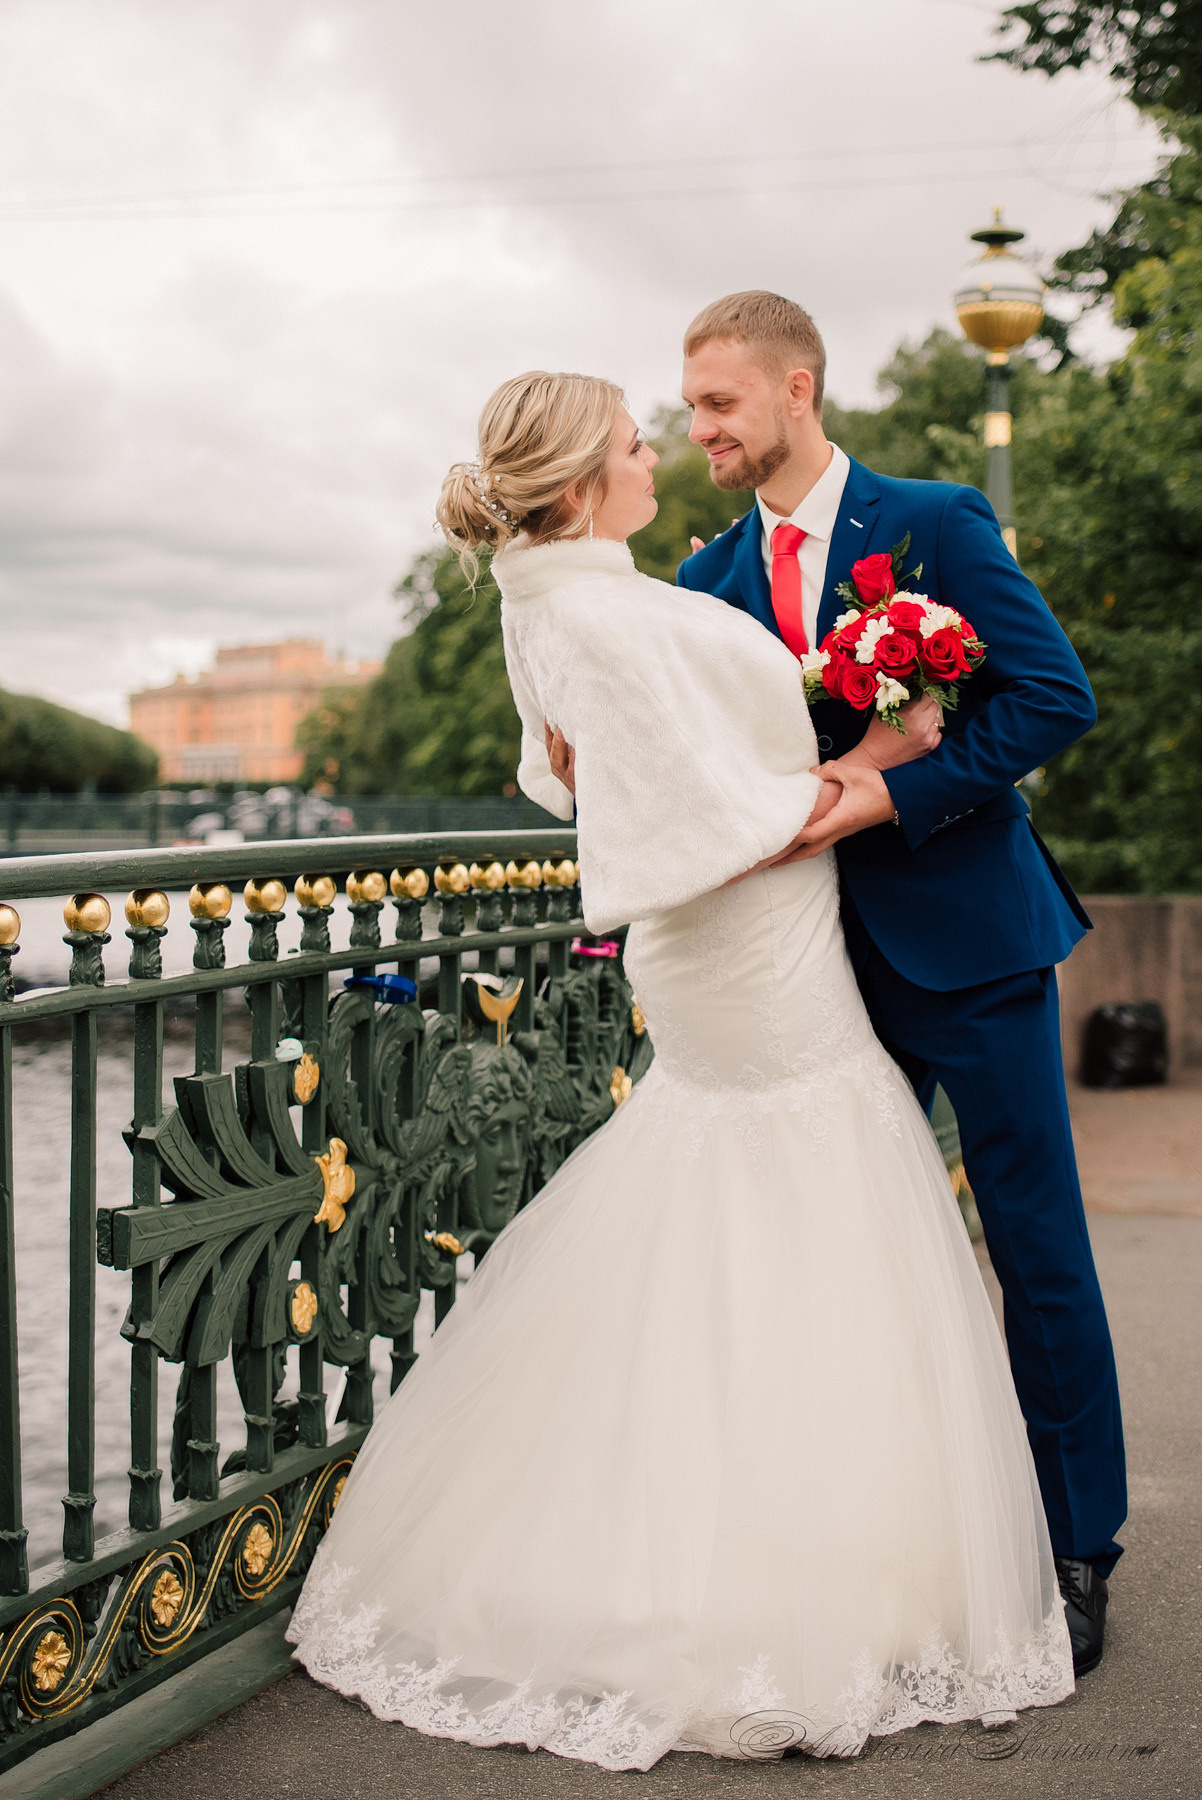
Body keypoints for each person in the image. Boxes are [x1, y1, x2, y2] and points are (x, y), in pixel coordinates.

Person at [288, 371, 1075, 1771]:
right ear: (587, 476)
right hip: (749, 939)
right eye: (640, 438)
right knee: (802, 1193)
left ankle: (739, 1531)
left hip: (731, 946)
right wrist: (884, 753)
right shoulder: (609, 605)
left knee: (737, 1203)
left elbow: (571, 779)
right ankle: (796, 1572)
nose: (664, 449)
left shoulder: (551, 599)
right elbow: (695, 814)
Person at [666, 291, 1124, 1677]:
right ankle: (873, 1547)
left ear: (794, 389)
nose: (699, 430)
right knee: (832, 1259)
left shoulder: (929, 521)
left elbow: (1051, 699)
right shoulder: (700, 585)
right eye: (688, 408)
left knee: (1031, 1250)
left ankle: (1072, 1543)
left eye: (718, 404)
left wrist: (885, 795)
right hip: (801, 972)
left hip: (969, 947)